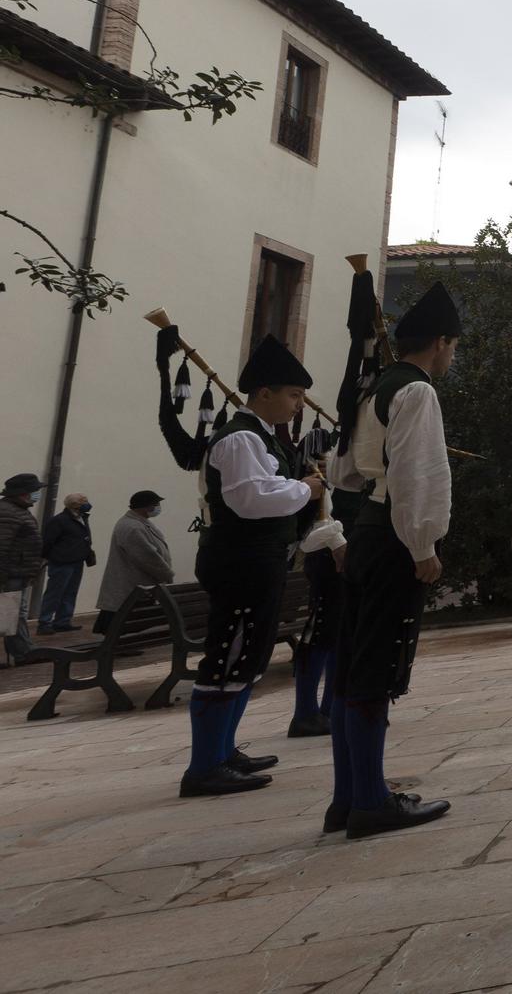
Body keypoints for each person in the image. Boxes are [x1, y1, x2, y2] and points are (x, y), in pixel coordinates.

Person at [326, 283, 458, 838]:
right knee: (377, 669)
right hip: (394, 539)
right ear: (442, 343)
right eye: (454, 347)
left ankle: (349, 797)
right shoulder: (418, 392)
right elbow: (416, 474)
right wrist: (423, 546)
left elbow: (344, 474)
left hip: (365, 530)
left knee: (356, 665)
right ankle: (372, 800)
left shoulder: (372, 387)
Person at [181, 335, 328, 798]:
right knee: (229, 654)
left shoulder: (259, 437)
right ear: (263, 392)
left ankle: (223, 750)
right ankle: (204, 764)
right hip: (241, 557)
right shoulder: (242, 437)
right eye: (292, 394)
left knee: (246, 657)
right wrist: (307, 489)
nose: (297, 405)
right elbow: (252, 499)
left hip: (255, 557)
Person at [95, 490, 175, 633]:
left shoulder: (139, 523)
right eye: (155, 504)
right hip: (131, 582)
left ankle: (121, 644)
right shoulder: (132, 526)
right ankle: (118, 645)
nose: (158, 508)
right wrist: (167, 574)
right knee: (121, 617)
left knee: (125, 617)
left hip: (135, 582)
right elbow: (147, 556)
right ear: (145, 506)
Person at [38, 492, 94, 634]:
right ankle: (44, 623)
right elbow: (48, 541)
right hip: (61, 562)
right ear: (75, 505)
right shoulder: (59, 520)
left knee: (70, 592)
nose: (87, 503)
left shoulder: (82, 518)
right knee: (55, 593)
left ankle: (62, 621)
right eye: (83, 501)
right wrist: (48, 557)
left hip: (77, 561)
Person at [1, 474, 42, 664]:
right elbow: (2, 545)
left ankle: (22, 650)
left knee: (15, 613)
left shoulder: (17, 510)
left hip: (17, 573)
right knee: (13, 613)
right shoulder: (9, 512)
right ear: (24, 493)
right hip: (11, 574)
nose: (37, 494)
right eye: (35, 490)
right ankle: (23, 652)